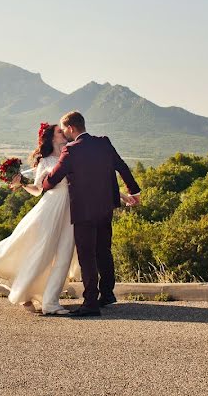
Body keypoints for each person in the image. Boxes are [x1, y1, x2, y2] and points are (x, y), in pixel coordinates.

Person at [0, 123, 79, 315]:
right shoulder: (45, 162)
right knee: (41, 254)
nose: (64, 132)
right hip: (51, 209)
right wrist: (22, 185)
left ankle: (50, 303)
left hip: (71, 209)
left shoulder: (72, 154)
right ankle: (25, 294)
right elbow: (37, 191)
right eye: (60, 131)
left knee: (64, 256)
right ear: (52, 137)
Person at [41, 110, 141, 317]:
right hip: (106, 207)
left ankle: (90, 304)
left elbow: (54, 178)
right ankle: (107, 295)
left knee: (87, 256)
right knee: (103, 251)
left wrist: (42, 183)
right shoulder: (104, 143)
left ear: (70, 128)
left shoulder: (71, 151)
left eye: (64, 130)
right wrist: (134, 191)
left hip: (84, 211)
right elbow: (122, 167)